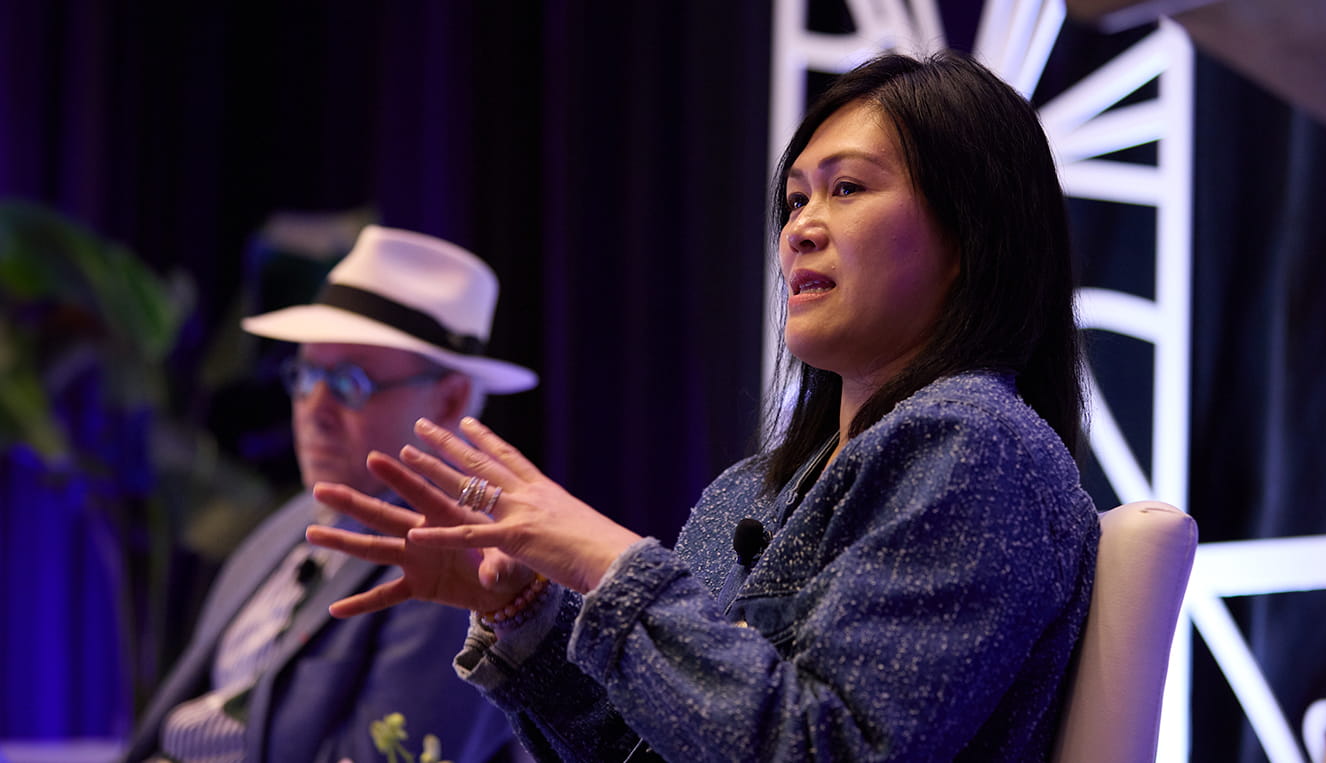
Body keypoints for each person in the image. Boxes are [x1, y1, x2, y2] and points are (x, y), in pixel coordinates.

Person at [308, 51, 1100, 761]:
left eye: (847, 188)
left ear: (968, 235)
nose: (799, 231)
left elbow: (828, 748)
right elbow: (648, 747)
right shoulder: (745, 494)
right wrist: (529, 612)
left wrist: (606, 561)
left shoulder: (979, 448)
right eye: (794, 200)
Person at [122, 225, 536, 763]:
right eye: (306, 374)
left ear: (450, 397)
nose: (313, 407)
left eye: (349, 383)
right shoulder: (286, 524)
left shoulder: (473, 567)